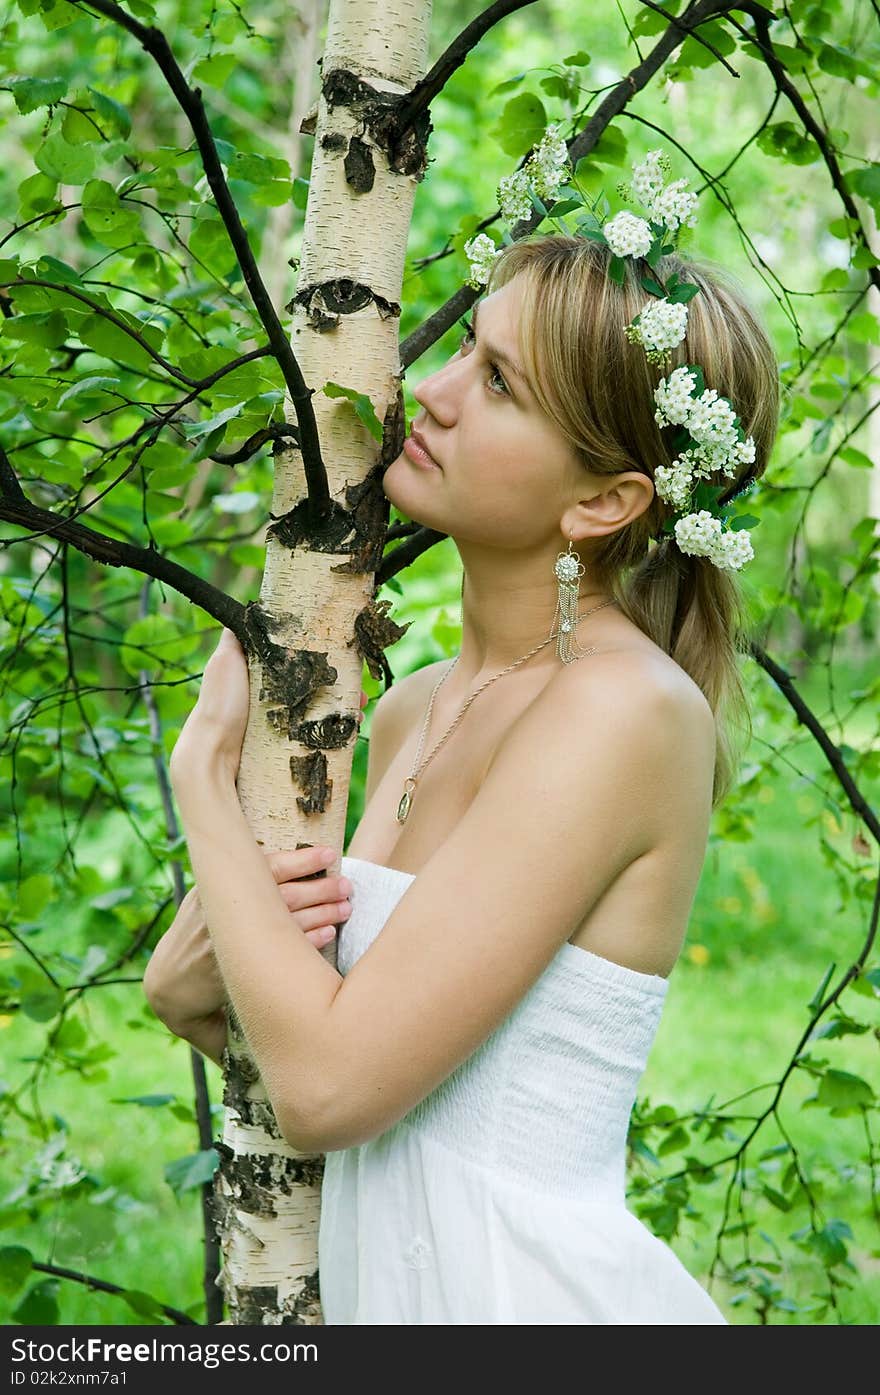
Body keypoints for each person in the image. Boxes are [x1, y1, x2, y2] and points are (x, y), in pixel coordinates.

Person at [144, 170, 779, 1322]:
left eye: (497, 384)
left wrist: (199, 774)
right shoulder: (410, 706)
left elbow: (331, 1087)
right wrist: (201, 978)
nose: (427, 394)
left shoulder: (620, 716)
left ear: (603, 501)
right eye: (462, 352)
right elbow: (285, 1045)